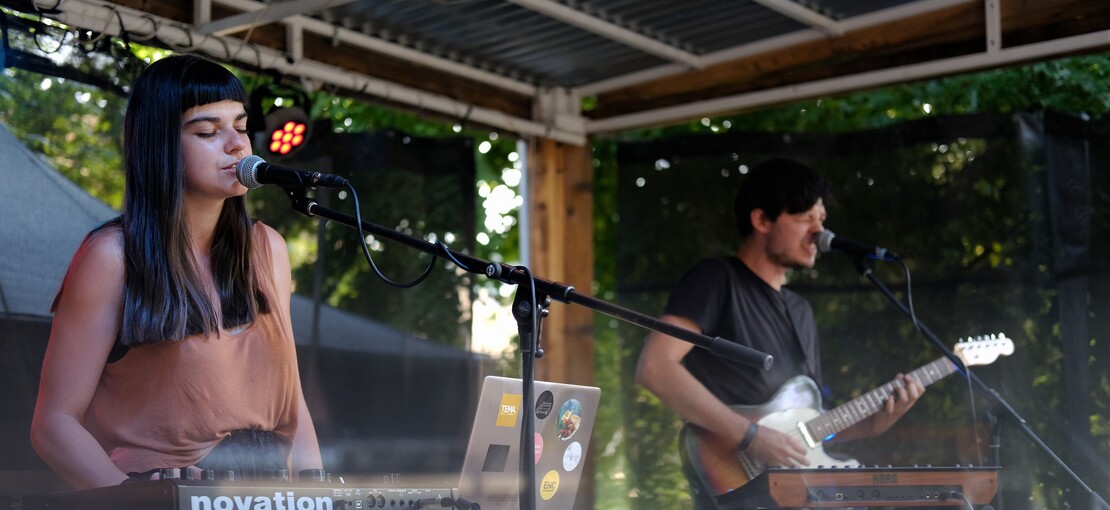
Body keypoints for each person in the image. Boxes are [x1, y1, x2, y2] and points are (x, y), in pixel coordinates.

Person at [30, 54, 323, 489]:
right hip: (161, 491)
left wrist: (316, 491)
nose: (237, 145)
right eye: (207, 131)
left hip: (267, 492)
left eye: (241, 127)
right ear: (160, 143)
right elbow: (54, 425)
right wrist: (134, 502)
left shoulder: (267, 249)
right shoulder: (112, 257)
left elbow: (293, 406)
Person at [634, 158, 924, 509]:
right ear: (761, 220)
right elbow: (655, 367)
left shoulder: (800, 311)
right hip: (739, 490)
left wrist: (873, 424)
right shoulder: (716, 279)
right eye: (805, 218)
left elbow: (805, 428)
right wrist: (749, 435)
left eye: (822, 221)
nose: (820, 233)